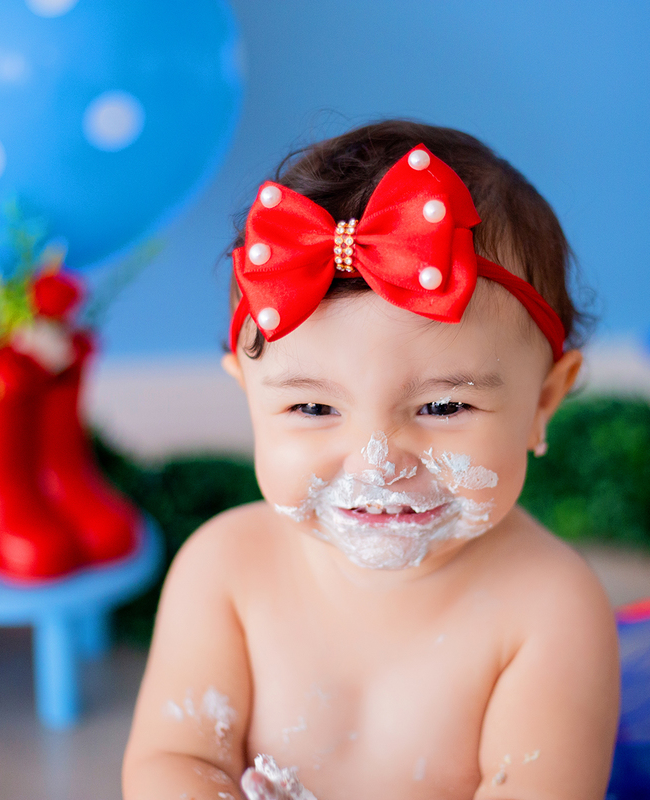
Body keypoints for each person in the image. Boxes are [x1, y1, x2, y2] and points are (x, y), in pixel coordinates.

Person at [123, 121, 619, 800]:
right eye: (314, 409)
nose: (376, 461)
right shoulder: (223, 573)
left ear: (545, 402)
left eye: (444, 408)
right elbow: (174, 762)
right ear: (247, 393)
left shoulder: (549, 608)